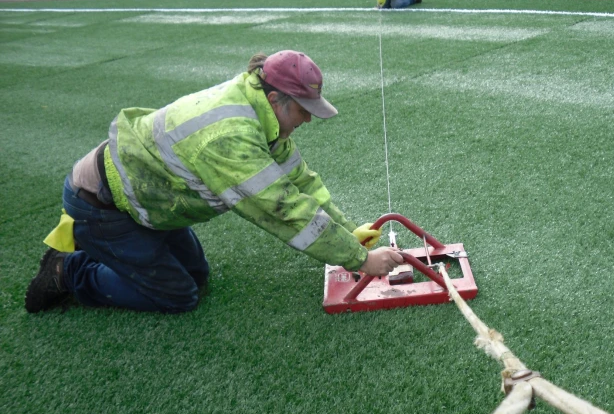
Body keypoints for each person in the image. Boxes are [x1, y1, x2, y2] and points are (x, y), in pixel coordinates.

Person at [25, 50, 404, 314]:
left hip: (147, 200)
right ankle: (67, 271)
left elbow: (299, 180)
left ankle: (106, 251)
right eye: (304, 111)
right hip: (104, 204)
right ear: (276, 98)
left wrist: (347, 230)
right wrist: (361, 260)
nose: (307, 120)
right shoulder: (230, 137)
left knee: (197, 276)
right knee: (179, 296)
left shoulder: (261, 112)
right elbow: (283, 208)